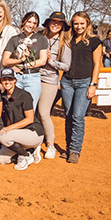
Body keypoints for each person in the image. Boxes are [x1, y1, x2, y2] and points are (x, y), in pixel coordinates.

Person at [60, 11, 101, 164]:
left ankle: (75, 150)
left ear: (87, 24)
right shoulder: (68, 40)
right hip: (67, 81)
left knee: (78, 116)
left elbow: (97, 64)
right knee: (69, 115)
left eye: (82, 23)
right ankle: (68, 148)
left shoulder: (94, 41)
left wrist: (93, 85)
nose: (79, 26)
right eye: (76, 23)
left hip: (84, 82)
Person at [0, 68, 45, 171]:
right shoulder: (3, 96)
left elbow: (30, 119)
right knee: (1, 159)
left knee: (4, 137)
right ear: (0, 81)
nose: (7, 82)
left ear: (15, 80)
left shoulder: (24, 95)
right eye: (4, 79)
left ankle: (26, 155)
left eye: (10, 79)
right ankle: (30, 150)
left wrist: (9, 128)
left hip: (33, 132)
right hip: (18, 135)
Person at [38, 11, 71, 159]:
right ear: (48, 23)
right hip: (33, 77)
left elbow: (66, 66)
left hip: (49, 80)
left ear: (63, 26)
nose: (55, 24)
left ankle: (50, 144)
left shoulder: (64, 44)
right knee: (32, 112)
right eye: (53, 21)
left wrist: (51, 62)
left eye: (59, 23)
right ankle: (36, 141)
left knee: (44, 112)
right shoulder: (40, 38)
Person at [1, 11, 48, 110]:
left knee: (30, 109)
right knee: (13, 108)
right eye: (29, 22)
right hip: (16, 78)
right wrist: (19, 61)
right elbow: (5, 61)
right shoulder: (14, 39)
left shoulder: (41, 39)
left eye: (34, 23)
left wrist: (24, 66)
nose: (31, 25)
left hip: (33, 77)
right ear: (23, 22)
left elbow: (42, 61)